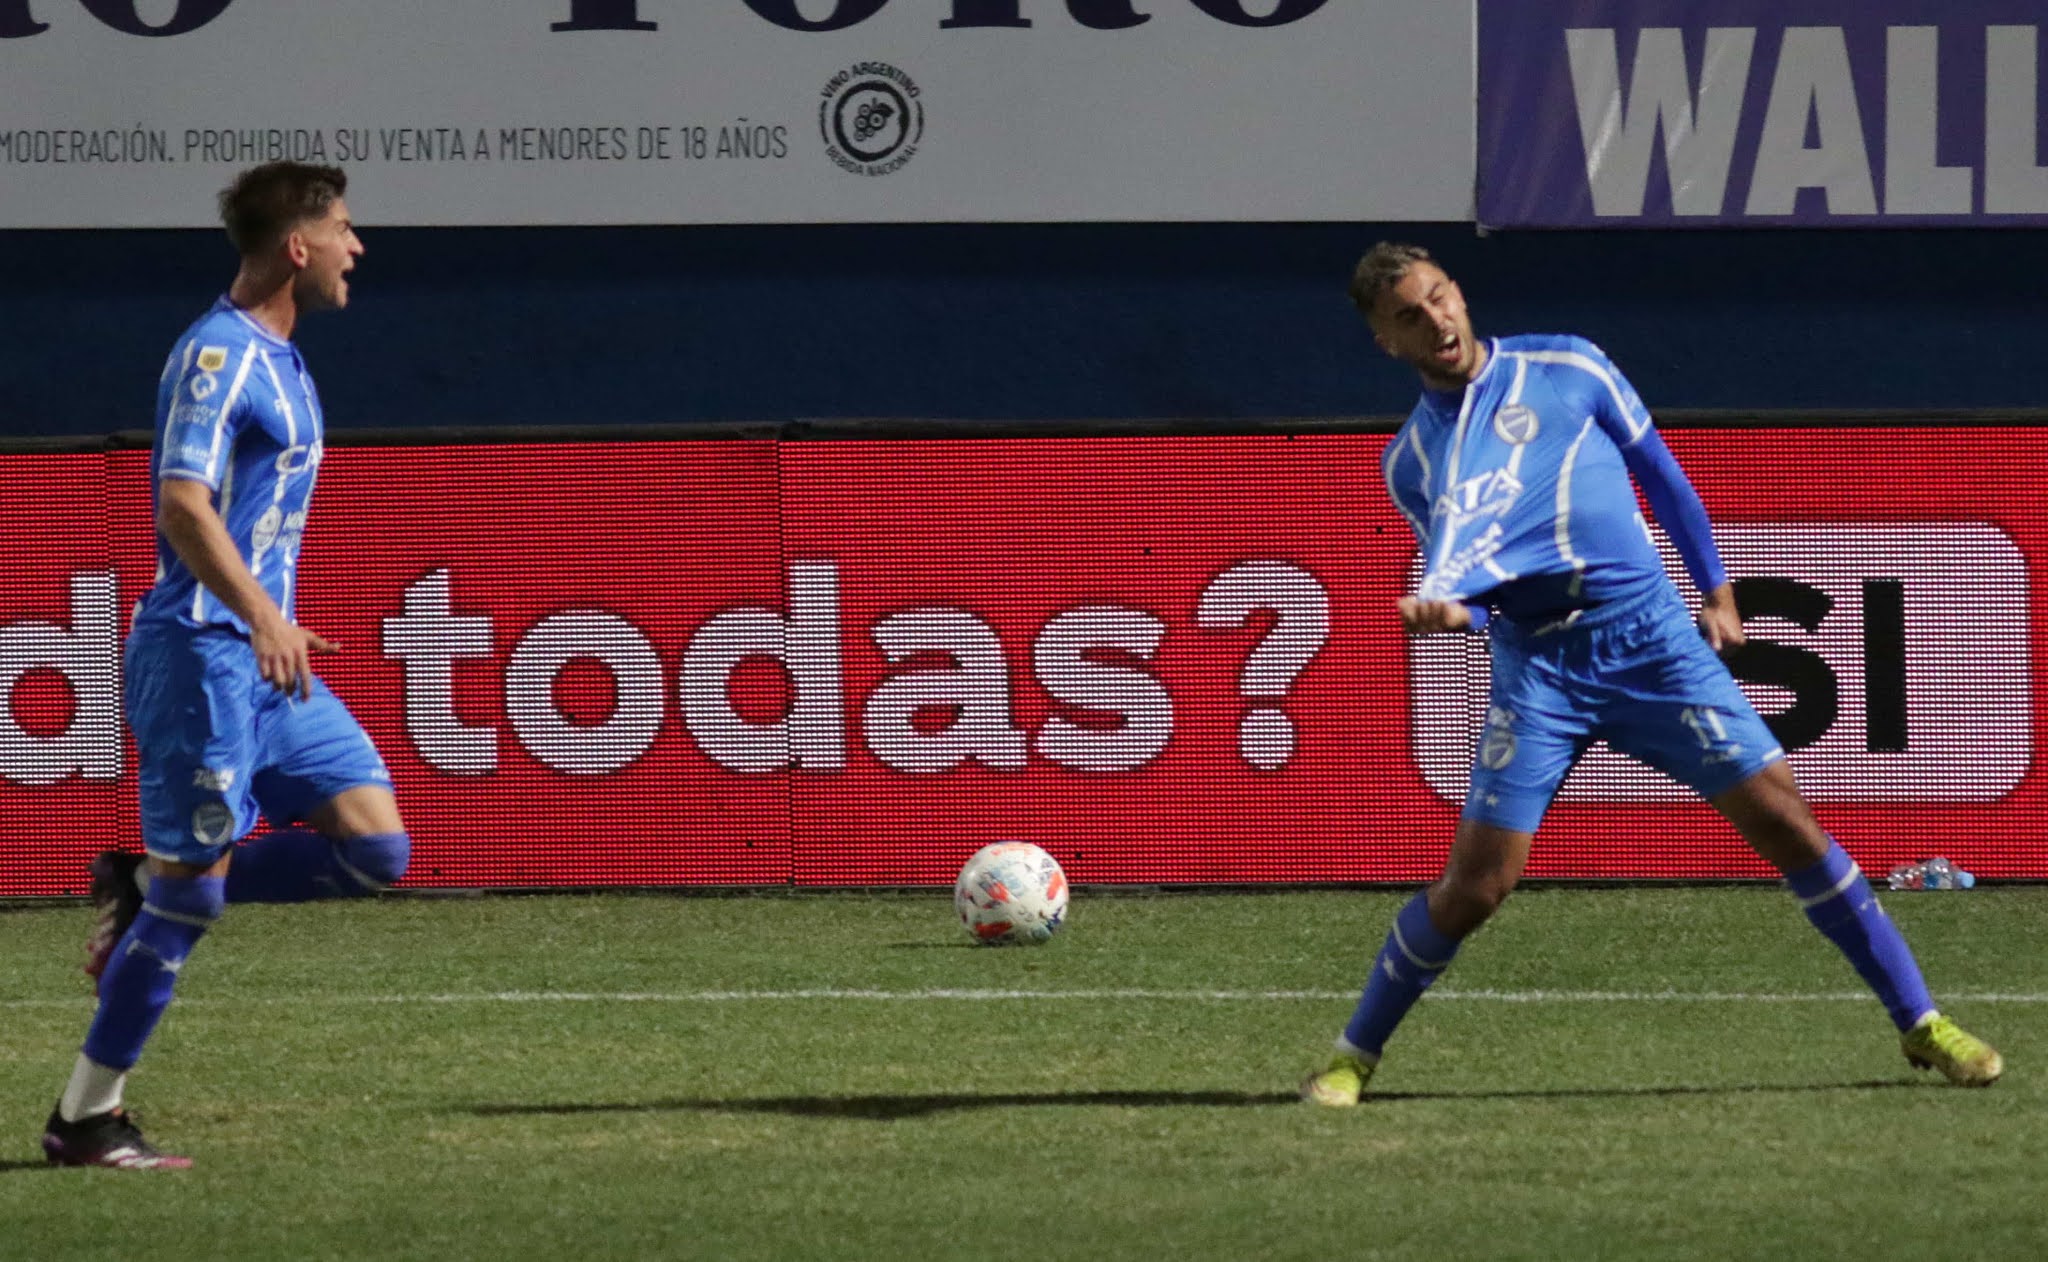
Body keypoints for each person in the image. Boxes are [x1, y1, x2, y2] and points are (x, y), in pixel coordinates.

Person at [1301, 242, 2002, 1107]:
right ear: (1386, 343)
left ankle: (1921, 1021)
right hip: (1542, 668)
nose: (1436, 319)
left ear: (1460, 294)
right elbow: (1479, 580)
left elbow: (1661, 474)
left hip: (1651, 639)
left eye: (1440, 297)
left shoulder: (1567, 364)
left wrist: (1715, 587)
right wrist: (1460, 616)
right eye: (1409, 315)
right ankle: (1352, 1055)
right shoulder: (1412, 463)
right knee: (1477, 888)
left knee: (1787, 823)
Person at [41, 163, 410, 1168]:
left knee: (376, 849)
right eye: (342, 227)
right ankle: (84, 1117)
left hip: (264, 663)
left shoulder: (283, 359)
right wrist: (261, 615)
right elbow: (182, 503)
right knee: (191, 902)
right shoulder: (218, 356)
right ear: (298, 245)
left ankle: (145, 879)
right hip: (205, 655)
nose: (355, 245)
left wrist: (271, 626)